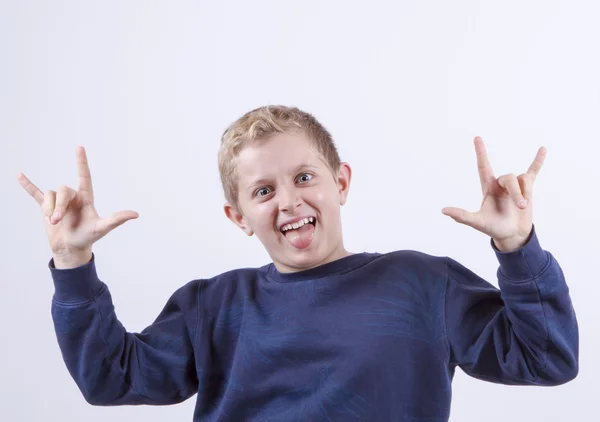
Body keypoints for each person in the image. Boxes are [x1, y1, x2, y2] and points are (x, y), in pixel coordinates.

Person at [18, 105, 578, 421]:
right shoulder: (214, 305)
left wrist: (518, 247)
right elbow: (111, 380)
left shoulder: (423, 284)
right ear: (238, 216)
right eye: (263, 191)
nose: (288, 201)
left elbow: (548, 358)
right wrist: (72, 262)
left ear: (340, 183)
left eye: (304, 178)